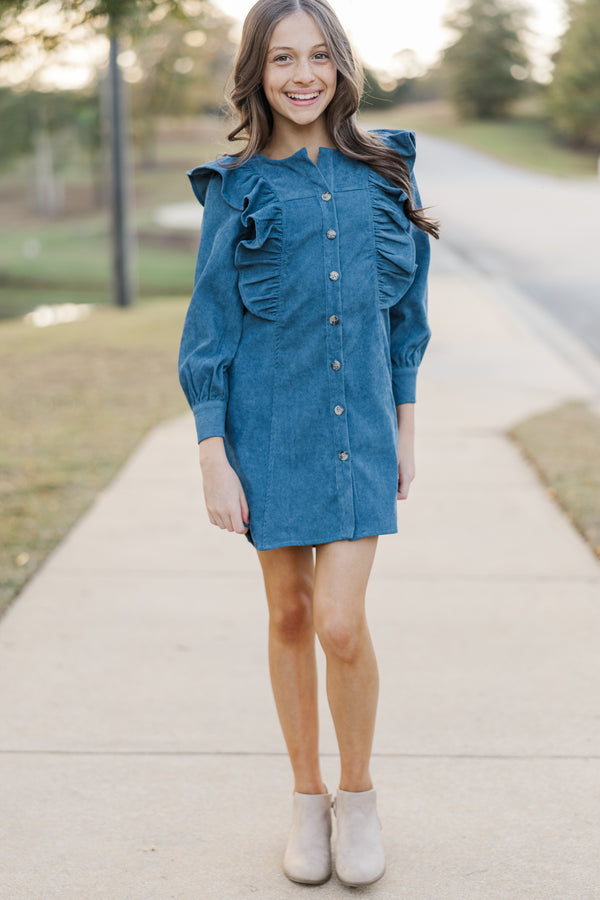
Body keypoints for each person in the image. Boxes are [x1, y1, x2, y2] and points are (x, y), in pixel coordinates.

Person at [178, 0, 439, 887]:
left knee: (339, 621)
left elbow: (406, 318)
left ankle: (359, 799)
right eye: (283, 58)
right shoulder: (236, 186)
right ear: (257, 70)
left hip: (358, 429)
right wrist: (213, 449)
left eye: (319, 57)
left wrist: (406, 425)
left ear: (341, 68)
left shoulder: (386, 171)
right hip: (266, 428)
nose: (302, 75)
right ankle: (306, 800)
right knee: (288, 614)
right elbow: (210, 325)